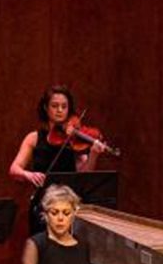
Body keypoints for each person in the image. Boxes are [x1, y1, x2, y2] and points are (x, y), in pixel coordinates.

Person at [9, 85, 114, 231]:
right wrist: (28, 174)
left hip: (68, 208)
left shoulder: (74, 140)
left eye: (64, 106)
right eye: (55, 106)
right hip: (43, 206)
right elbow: (14, 169)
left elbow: (84, 175)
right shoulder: (33, 138)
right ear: (46, 108)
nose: (59, 110)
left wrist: (94, 154)